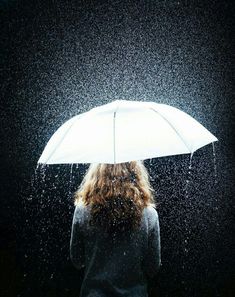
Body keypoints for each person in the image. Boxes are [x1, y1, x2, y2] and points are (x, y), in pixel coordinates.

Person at [70, 160, 161, 297]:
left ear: (96, 175)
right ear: (135, 173)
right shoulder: (148, 214)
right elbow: (152, 267)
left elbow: (77, 260)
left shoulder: (83, 210)